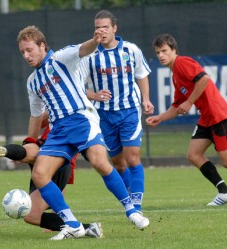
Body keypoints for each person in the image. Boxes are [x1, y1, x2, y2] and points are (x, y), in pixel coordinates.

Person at [16, 25, 149, 240]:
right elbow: (36, 116)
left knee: (99, 162)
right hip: (58, 131)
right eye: (22, 52)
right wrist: (30, 142)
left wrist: (95, 40)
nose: (26, 55)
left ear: (42, 46)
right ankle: (73, 225)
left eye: (29, 50)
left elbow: (83, 50)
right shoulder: (33, 82)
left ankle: (132, 211)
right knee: (39, 175)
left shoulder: (60, 58)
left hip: (81, 119)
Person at [146, 33, 227, 206]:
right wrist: (160, 118)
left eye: (164, 51)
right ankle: (224, 192)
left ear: (174, 50)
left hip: (218, 115)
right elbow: (178, 105)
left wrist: (190, 101)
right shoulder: (175, 76)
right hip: (206, 118)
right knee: (194, 154)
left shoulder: (182, 63)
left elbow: (204, 79)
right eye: (158, 53)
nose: (161, 55)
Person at [0, 123, 103, 238]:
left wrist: (30, 141)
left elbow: (39, 116)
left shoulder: (57, 109)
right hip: (58, 157)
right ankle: (85, 228)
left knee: (31, 214)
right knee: (35, 209)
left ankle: (9, 151)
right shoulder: (79, 119)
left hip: (46, 146)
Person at [81, 10, 154, 212]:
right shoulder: (89, 57)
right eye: (97, 27)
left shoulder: (131, 50)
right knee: (119, 164)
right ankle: (129, 197)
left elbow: (142, 74)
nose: (101, 31)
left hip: (129, 111)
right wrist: (94, 95)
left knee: (132, 159)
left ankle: (136, 205)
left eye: (105, 27)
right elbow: (78, 87)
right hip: (104, 116)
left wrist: (146, 99)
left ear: (114, 28)